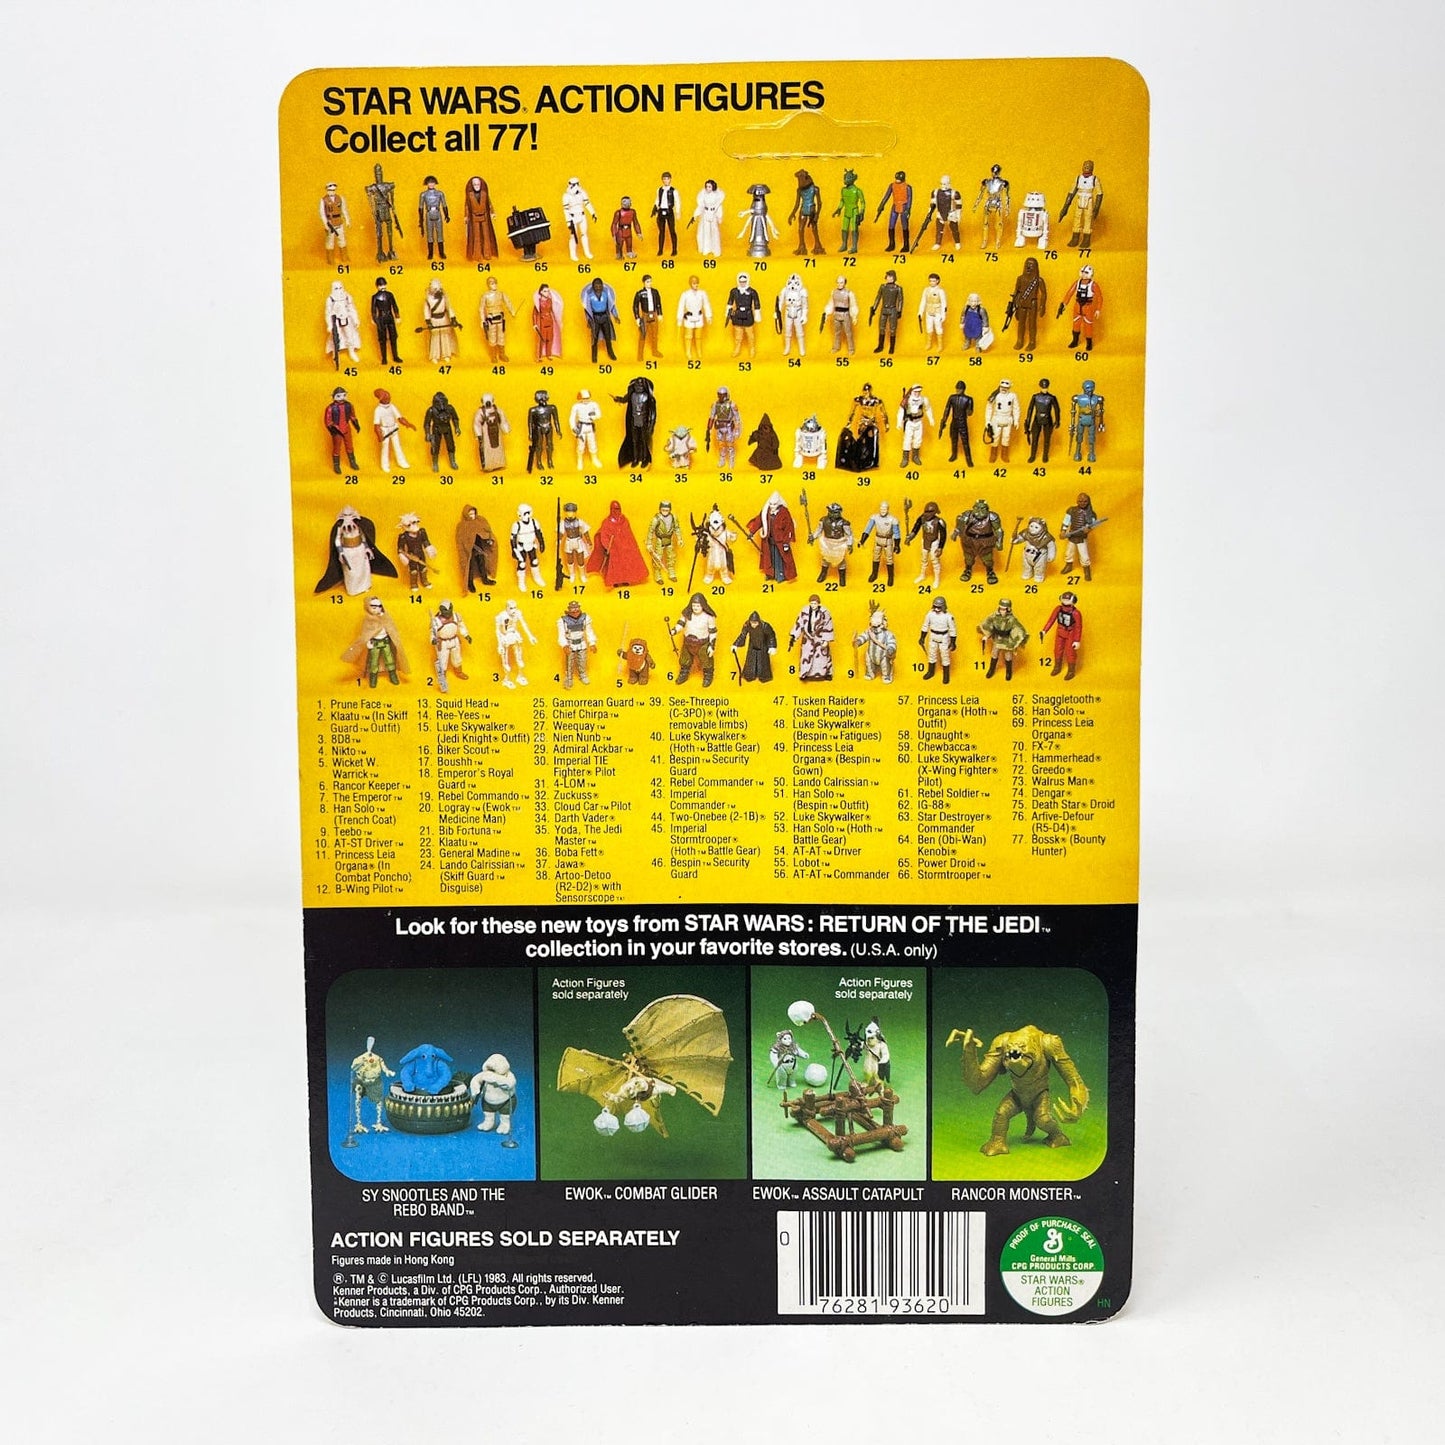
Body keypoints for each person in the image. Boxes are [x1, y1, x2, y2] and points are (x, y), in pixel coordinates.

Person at [343, 597, 408, 687]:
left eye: (379, 606)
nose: (377, 608)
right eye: (374, 607)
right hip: (374, 644)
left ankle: (392, 675)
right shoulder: (368, 619)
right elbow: (365, 634)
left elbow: (392, 629)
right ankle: (373, 677)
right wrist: (368, 642)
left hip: (385, 642)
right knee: (373, 661)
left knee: (389, 660)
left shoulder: (385, 617)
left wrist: (393, 639)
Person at [789, 595, 835, 680]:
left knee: (821, 657)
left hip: (820, 638)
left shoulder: (825, 612)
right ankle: (805, 673)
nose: (813, 605)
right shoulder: (804, 611)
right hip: (808, 638)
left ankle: (824, 673)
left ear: (818, 603)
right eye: (811, 603)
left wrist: (826, 640)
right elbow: (799, 623)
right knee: (806, 655)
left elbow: (828, 625)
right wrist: (794, 636)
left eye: (815, 603)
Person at [557, 599, 597, 686]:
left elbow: (589, 631)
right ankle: (569, 678)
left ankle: (582, 675)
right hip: (570, 644)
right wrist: (564, 645)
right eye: (573, 608)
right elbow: (561, 634)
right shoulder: (563, 621)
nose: (575, 611)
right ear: (569, 610)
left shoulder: (585, 618)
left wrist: (592, 642)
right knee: (569, 662)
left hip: (581, 643)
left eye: (576, 608)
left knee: (582, 661)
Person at [579, 277, 620, 362]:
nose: (598, 287)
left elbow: (612, 306)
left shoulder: (605, 295)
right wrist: (589, 320)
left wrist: (616, 316)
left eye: (599, 285)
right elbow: (587, 310)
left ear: (602, 286)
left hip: (605, 317)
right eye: (596, 286)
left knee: (608, 337)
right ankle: (594, 356)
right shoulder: (590, 296)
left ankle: (611, 353)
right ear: (593, 287)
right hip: (595, 319)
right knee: (594, 338)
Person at [463, 176, 499, 260]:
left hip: (484, 217)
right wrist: (466, 216)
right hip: (474, 217)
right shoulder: (470, 195)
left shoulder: (484, 194)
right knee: (476, 237)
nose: (477, 186)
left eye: (478, 184)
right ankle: (477, 255)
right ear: (472, 185)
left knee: (486, 236)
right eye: (475, 184)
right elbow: (467, 206)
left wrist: (492, 213)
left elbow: (489, 204)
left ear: (480, 184)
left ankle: (487, 253)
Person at [417, 175, 449, 259]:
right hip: (428, 214)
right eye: (429, 183)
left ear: (435, 183)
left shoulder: (440, 193)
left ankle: (441, 252)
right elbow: (420, 207)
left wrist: (447, 215)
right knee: (429, 235)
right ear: (427, 184)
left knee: (440, 234)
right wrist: (421, 219)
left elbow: (444, 205)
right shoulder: (423, 194)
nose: (431, 184)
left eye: (432, 182)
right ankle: (430, 253)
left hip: (438, 213)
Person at [690, 179, 724, 256]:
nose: (707, 188)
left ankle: (715, 250)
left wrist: (719, 216)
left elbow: (719, 207)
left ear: (713, 187)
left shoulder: (717, 196)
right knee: (705, 231)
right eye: (706, 187)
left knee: (714, 231)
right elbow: (700, 206)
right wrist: (695, 215)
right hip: (705, 214)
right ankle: (706, 249)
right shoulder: (703, 195)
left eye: (709, 187)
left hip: (713, 214)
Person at [319, 182, 350, 260]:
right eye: (330, 190)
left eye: (333, 190)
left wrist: (347, 220)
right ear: (327, 190)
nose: (331, 192)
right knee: (330, 241)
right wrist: (325, 224)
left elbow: (344, 210)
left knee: (342, 239)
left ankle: (344, 257)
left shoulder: (340, 198)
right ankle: (330, 259)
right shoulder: (323, 200)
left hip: (339, 222)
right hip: (330, 223)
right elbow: (322, 213)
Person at [652, 172, 679, 256]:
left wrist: (678, 212)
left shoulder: (673, 190)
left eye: (667, 179)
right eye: (664, 179)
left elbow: (677, 202)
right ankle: (660, 250)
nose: (666, 180)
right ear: (662, 180)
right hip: (661, 211)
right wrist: (655, 207)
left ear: (670, 179)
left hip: (669, 211)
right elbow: (657, 199)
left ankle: (674, 249)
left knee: (672, 231)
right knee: (661, 231)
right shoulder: (659, 190)